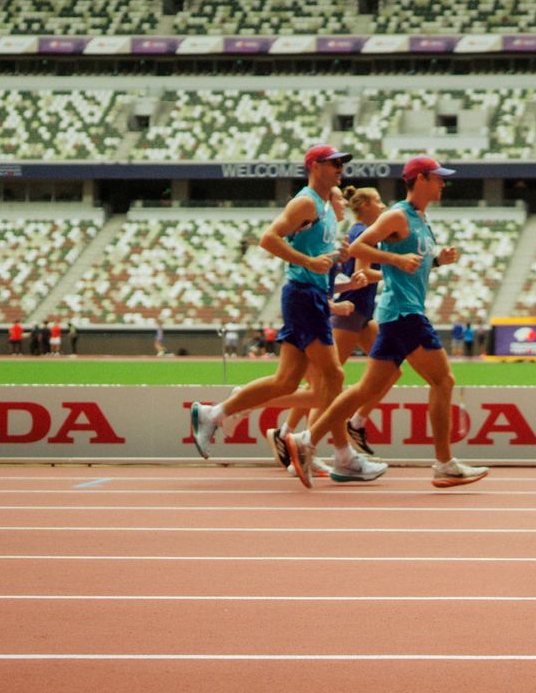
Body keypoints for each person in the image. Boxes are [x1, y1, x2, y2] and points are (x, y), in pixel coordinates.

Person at [189, 145, 385, 483]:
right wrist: (309, 262)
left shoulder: (323, 208)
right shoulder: (306, 201)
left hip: (309, 297)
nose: (340, 168)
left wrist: (330, 261)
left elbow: (313, 254)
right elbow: (268, 239)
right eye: (333, 163)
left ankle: (215, 412)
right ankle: (340, 456)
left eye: (342, 164)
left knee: (287, 381)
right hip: (302, 296)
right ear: (313, 166)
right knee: (333, 378)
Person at [296, 156, 488, 489]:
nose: (444, 183)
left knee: (365, 389)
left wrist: (438, 261)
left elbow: (411, 266)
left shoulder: (420, 219)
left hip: (396, 312)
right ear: (421, 178)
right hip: (404, 313)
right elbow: (358, 246)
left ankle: (306, 440)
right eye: (439, 178)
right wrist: (395, 257)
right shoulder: (397, 214)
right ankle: (443, 464)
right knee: (443, 381)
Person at [265, 185, 386, 467]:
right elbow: (323, 276)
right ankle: (302, 442)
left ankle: (295, 433)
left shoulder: (334, 235)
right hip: (346, 317)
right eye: (378, 201)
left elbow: (333, 280)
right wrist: (395, 270)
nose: (383, 206)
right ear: (364, 205)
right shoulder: (355, 233)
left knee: (385, 370)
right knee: (324, 384)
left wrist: (345, 289)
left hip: (357, 314)